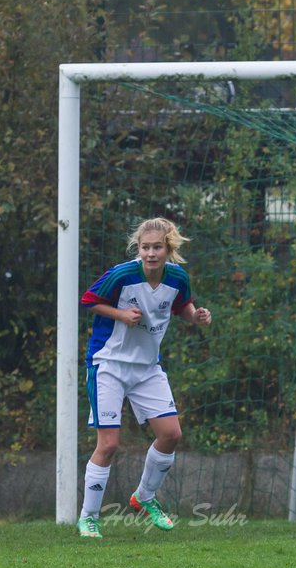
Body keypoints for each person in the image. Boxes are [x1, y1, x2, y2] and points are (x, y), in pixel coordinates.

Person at [77, 217, 212, 539]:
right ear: (138, 249)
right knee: (108, 444)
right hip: (108, 364)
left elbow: (182, 306)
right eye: (145, 247)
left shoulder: (178, 277)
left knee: (171, 434)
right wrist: (121, 314)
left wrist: (196, 316)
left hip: (148, 367)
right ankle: (88, 517)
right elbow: (89, 301)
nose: (151, 253)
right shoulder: (122, 274)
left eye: (157, 247)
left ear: (169, 249)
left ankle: (144, 497)